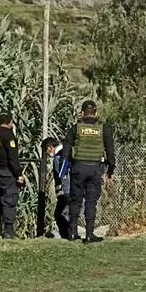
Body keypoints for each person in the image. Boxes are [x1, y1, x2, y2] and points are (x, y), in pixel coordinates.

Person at [60, 100, 116, 243]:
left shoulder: (76, 128)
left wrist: (63, 169)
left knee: (75, 200)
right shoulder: (103, 128)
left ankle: (72, 232)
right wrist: (110, 170)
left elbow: (66, 149)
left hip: (78, 168)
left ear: (82, 112)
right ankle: (89, 234)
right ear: (96, 113)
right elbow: (110, 150)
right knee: (91, 202)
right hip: (95, 168)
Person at [0, 112, 25, 239]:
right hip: (7, 172)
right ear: (10, 121)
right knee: (9, 200)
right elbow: (12, 157)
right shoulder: (9, 136)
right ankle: (8, 230)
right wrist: (19, 173)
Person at [42, 137, 73, 240]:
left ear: (50, 148)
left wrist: (62, 191)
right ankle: (69, 235)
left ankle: (68, 236)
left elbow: (62, 175)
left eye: (46, 151)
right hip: (71, 188)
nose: (47, 154)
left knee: (61, 214)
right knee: (63, 214)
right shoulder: (68, 151)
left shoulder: (58, 157)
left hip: (66, 189)